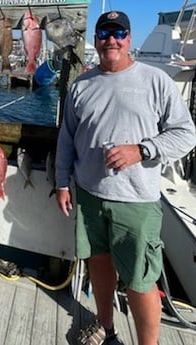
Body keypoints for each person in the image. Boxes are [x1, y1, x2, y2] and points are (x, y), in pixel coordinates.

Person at [55, 11, 196, 345]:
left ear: (129, 38)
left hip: (136, 202)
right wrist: (62, 182)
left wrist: (142, 150)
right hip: (89, 195)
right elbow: (66, 138)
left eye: (119, 33)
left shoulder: (155, 80)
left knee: (141, 281)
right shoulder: (81, 84)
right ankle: (107, 325)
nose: (111, 40)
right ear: (97, 39)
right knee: (99, 266)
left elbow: (186, 134)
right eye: (104, 33)